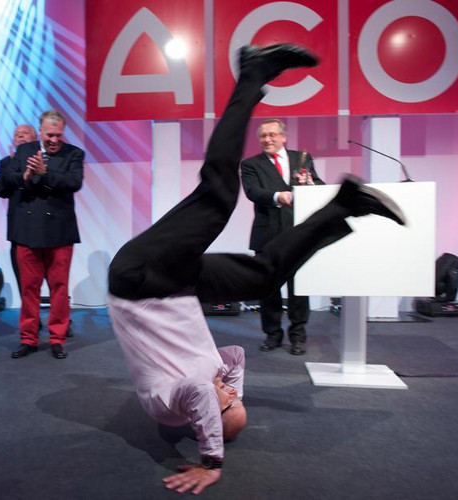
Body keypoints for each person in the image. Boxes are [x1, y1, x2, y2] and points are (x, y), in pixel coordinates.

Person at [107, 44, 406, 495]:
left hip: (137, 278)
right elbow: (236, 359)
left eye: (227, 404)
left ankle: (252, 74)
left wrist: (211, 461)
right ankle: (345, 205)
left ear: (202, 418)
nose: (228, 394)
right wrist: (233, 392)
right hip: (176, 289)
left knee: (218, 195)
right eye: (233, 399)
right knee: (265, 278)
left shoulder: (171, 406)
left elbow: (201, 395)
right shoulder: (213, 379)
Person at [0, 110, 84, 359]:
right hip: (27, 232)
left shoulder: (74, 154)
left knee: (59, 288)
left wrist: (45, 173)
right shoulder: (25, 151)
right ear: (40, 131)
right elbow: (6, 180)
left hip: (60, 232)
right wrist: (25, 176)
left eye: (58, 135)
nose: (54, 140)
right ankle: (28, 338)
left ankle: (57, 338)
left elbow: (74, 182)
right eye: (49, 135)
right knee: (29, 289)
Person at [241, 119, 325, 355]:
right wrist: (280, 196)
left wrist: (310, 183)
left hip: (298, 233)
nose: (267, 139)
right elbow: (252, 192)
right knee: (268, 288)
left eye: (272, 135)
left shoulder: (302, 158)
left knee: (298, 288)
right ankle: (272, 334)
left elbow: (318, 184)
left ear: (283, 137)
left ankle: (298, 336)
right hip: (267, 234)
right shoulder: (250, 164)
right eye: (263, 136)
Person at [0, 123, 38, 293]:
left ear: (35, 138)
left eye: (25, 133)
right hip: (18, 228)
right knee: (23, 278)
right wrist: (12, 166)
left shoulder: (44, 161)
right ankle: (29, 318)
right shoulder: (6, 162)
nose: (20, 136)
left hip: (42, 226)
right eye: (17, 134)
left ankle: (58, 315)